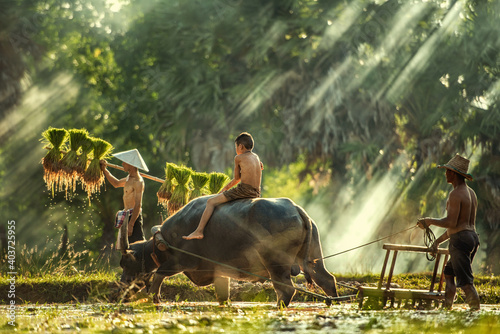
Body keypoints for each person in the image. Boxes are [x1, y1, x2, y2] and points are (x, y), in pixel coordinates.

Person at [417, 153, 480, 310]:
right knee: (449, 274)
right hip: (471, 238)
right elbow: (457, 227)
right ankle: (447, 308)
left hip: (460, 241)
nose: (445, 174)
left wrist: (429, 221)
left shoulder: (455, 194)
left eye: (447, 171)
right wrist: (436, 242)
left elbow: (450, 223)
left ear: (453, 173)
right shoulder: (471, 193)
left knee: (466, 283)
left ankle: (476, 316)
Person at [183, 132, 263, 240]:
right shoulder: (256, 157)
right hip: (257, 192)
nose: (236, 149)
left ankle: (199, 231)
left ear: (240, 146)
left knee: (210, 202)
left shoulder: (238, 158)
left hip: (244, 190)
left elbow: (237, 179)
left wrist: (224, 189)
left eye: (236, 147)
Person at [100, 149, 148, 244]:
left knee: (136, 247)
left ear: (131, 164)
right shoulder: (128, 178)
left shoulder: (138, 182)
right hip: (126, 216)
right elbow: (116, 183)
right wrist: (104, 170)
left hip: (133, 218)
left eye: (124, 162)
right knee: (125, 248)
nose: (122, 164)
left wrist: (131, 224)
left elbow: (138, 205)